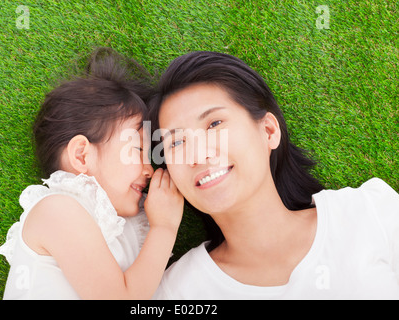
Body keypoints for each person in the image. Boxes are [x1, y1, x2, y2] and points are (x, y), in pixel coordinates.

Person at [149, 51, 399, 299]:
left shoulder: (367, 213)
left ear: (268, 131)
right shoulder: (178, 291)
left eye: (214, 124)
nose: (197, 154)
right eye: (176, 143)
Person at [0, 48, 184, 299]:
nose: (149, 169)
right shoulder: (57, 210)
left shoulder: (130, 224)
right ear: (82, 156)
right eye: (138, 150)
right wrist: (164, 228)